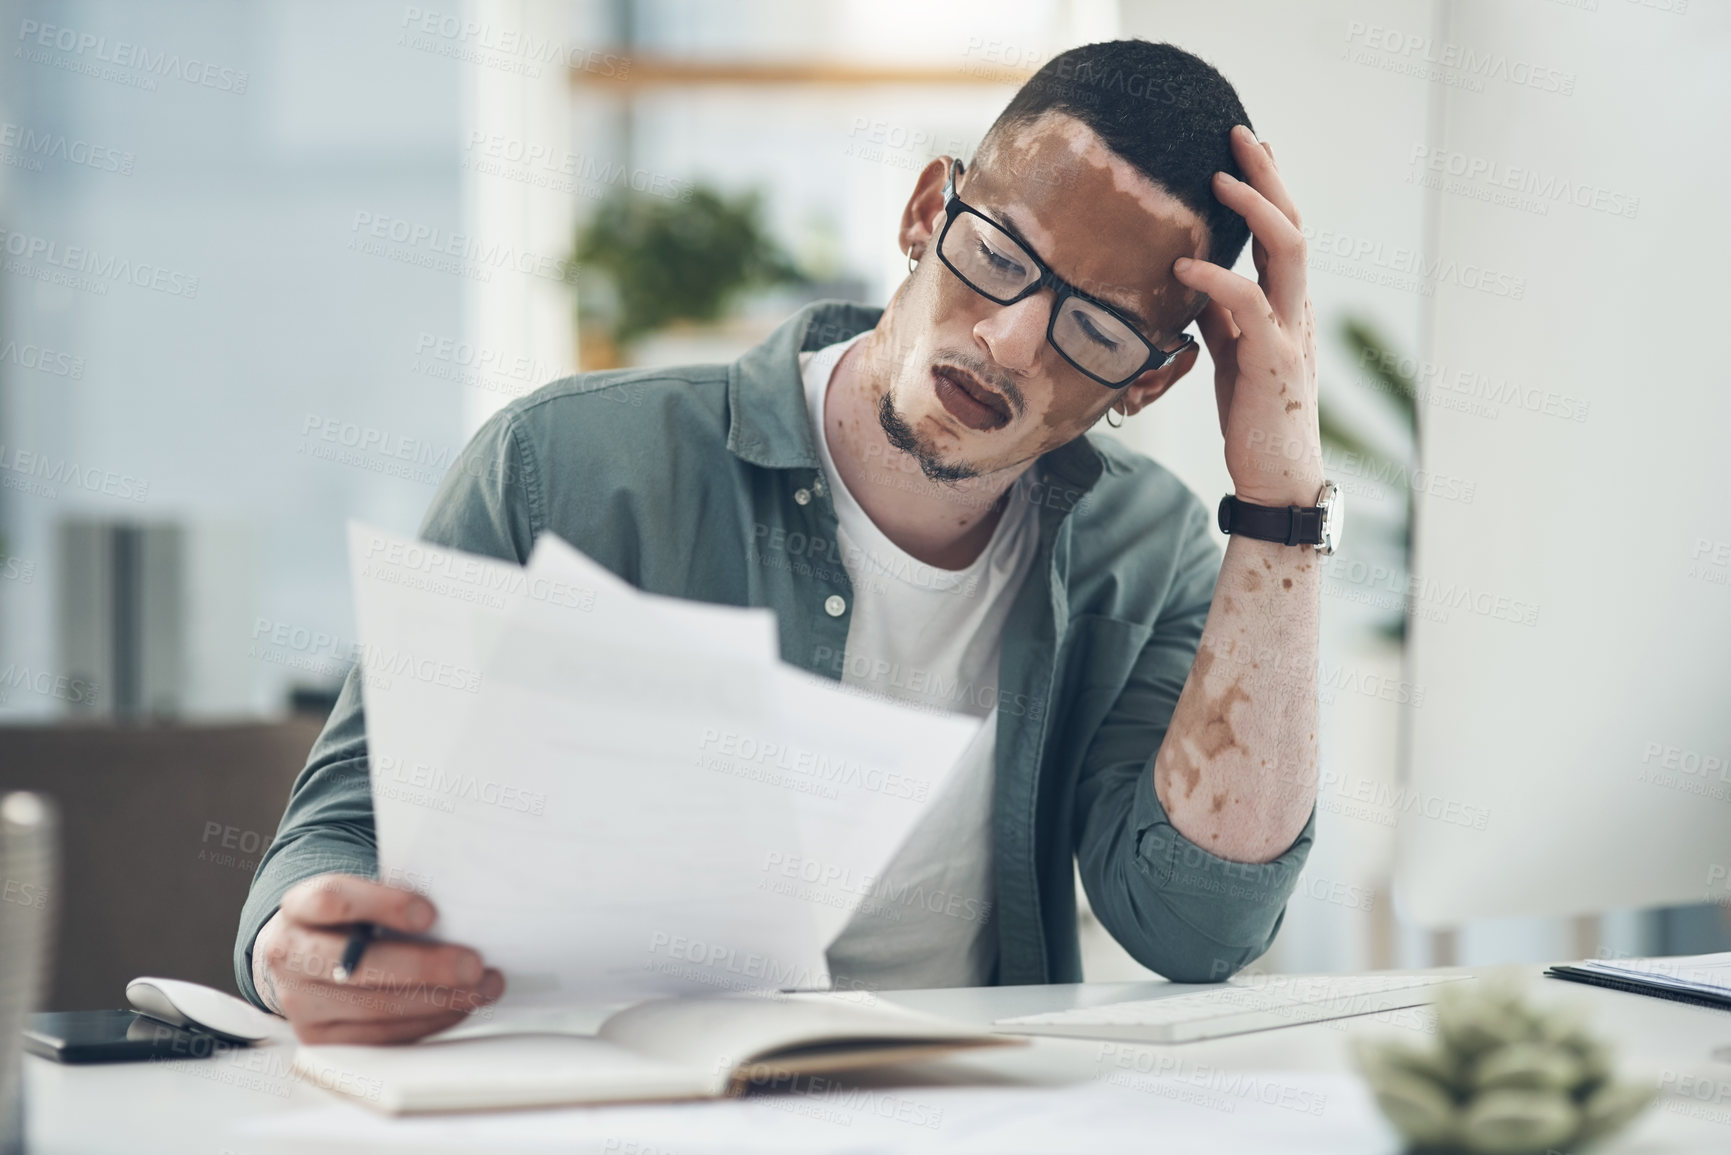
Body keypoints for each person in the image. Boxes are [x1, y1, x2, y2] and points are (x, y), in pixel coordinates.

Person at [237, 38, 1328, 1044]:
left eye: (1094, 328)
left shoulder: (1150, 549)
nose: (1008, 339)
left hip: (951, 1117)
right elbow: (336, 840)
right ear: (924, 212)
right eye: (998, 255)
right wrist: (303, 951)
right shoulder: (562, 466)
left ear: (1151, 376)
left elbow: (1197, 929)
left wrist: (1279, 503)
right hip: (575, 1102)